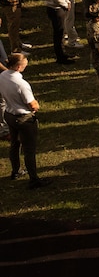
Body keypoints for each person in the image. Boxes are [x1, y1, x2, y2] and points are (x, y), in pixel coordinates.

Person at [1, 53, 47, 188]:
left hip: (9, 114)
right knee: (29, 149)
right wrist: (37, 105)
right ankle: (34, 179)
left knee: (15, 144)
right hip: (23, 118)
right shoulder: (21, 84)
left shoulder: (2, 76)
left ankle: (16, 170)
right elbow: (32, 105)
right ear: (19, 67)